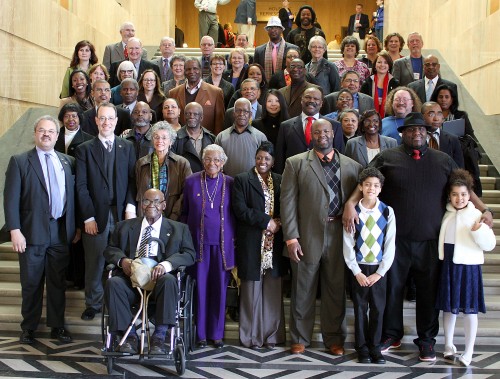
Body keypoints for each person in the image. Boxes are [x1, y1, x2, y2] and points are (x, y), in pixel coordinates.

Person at [342, 112, 493, 362]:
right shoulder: (387, 158)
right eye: (411, 130)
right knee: (392, 290)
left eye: (421, 130)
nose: (417, 133)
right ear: (403, 133)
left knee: (428, 292)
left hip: (431, 241)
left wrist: (484, 209)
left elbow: (464, 187)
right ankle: (391, 334)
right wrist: (350, 204)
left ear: (427, 133)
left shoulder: (443, 160)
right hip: (395, 242)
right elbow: (366, 182)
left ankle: (426, 340)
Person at [281, 118, 363, 356]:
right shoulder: (295, 163)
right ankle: (299, 338)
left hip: (339, 233)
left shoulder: (351, 165)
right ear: (311, 136)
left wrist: (351, 204)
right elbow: (287, 203)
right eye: (317, 132)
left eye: (326, 131)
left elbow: (361, 195)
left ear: (333, 133)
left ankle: (334, 339)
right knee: (302, 288)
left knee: (335, 289)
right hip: (307, 235)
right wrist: (291, 238)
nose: (322, 135)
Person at [4, 115, 76, 344]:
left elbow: (71, 199)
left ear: (57, 136)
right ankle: (29, 327)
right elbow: (10, 199)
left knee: (57, 283)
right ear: (35, 133)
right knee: (32, 282)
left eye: (51, 131)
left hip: (60, 231)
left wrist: (74, 227)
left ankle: (57, 326)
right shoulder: (20, 161)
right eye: (42, 130)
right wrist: (14, 229)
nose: (46, 134)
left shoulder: (67, 161)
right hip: (31, 232)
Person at [103, 188, 196, 354]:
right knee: (113, 282)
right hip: (131, 280)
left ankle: (160, 337)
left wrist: (166, 265)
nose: (150, 205)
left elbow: (189, 254)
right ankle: (129, 336)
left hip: (160, 283)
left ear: (164, 205)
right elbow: (110, 249)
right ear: (140, 205)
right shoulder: (123, 227)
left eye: (156, 201)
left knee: (169, 280)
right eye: (146, 201)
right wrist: (122, 260)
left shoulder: (179, 229)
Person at [75, 102, 137, 321]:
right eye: (102, 118)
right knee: (94, 261)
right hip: (96, 216)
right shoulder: (84, 149)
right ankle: (93, 303)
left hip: (122, 214)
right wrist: (88, 217)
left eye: (110, 118)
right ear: (96, 120)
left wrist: (131, 207)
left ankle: (119, 302)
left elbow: (133, 180)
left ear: (117, 121)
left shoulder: (127, 147)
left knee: (122, 261)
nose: (106, 122)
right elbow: (81, 186)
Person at [435, 169, 496, 367]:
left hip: (469, 267)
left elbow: (489, 245)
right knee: (449, 308)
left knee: (470, 311)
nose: (459, 198)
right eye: (454, 194)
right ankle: (449, 345)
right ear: (449, 196)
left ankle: (469, 351)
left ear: (469, 195)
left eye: (463, 194)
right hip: (449, 265)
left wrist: (479, 231)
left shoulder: (477, 215)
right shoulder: (447, 213)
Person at [232, 141, 286, 349]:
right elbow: (240, 209)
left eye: (267, 159)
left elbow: (287, 205)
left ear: (273, 162)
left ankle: (271, 336)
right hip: (251, 240)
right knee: (250, 291)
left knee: (272, 290)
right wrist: (266, 221)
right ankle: (251, 337)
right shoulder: (242, 180)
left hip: (275, 241)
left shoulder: (281, 180)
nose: (262, 161)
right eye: (259, 157)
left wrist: (279, 222)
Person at [182, 144, 236, 349]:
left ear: (223, 163)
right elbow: (185, 213)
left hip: (223, 248)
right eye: (207, 159)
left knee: (219, 292)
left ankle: (217, 334)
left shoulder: (231, 183)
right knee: (201, 291)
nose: (211, 163)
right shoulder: (191, 182)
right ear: (203, 161)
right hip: (199, 247)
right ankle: (201, 334)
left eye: (216, 160)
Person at [343, 167, 395, 364]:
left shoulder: (388, 212)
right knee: (359, 309)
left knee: (378, 310)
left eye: (375, 185)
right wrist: (356, 271)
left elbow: (390, 244)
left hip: (378, 271)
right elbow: (348, 243)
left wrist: (380, 273)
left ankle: (375, 347)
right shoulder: (353, 212)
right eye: (367, 185)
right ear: (361, 187)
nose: (371, 188)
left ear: (380, 188)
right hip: (359, 270)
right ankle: (362, 348)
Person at [275, 87, 344, 173]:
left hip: (325, 176)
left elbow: (340, 155)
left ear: (321, 103)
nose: (311, 100)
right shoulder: (285, 126)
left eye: (316, 98)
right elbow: (279, 158)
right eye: (308, 97)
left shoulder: (335, 126)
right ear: (301, 100)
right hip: (294, 175)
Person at [135, 121, 192, 221]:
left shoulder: (182, 163)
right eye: (156, 137)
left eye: (164, 137)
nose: (159, 140)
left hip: (174, 217)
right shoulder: (141, 163)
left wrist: (174, 216)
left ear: (171, 141)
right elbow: (138, 192)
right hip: (146, 216)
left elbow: (186, 193)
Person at [169, 57, 225, 135]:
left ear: (200, 70)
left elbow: (219, 123)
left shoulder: (216, 92)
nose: (192, 72)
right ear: (184, 71)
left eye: (195, 68)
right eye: (188, 69)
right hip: (180, 141)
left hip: (206, 140)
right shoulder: (173, 93)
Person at [215, 98, 267, 177]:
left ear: (250, 114)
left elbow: (265, 164)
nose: (241, 114)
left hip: (252, 184)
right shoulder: (221, 137)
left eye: (245, 111)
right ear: (233, 113)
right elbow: (216, 162)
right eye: (238, 111)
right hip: (227, 184)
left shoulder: (260, 137)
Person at [172, 102, 216, 172]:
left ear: (201, 117)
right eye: (188, 114)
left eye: (195, 114)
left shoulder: (211, 138)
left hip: (206, 180)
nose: (191, 116)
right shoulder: (174, 138)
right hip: (184, 180)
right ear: (184, 116)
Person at [253, 17, 298, 84]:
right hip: (265, 87)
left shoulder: (293, 49)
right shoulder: (259, 51)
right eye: (270, 28)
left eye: (276, 27)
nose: (273, 30)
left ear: (281, 30)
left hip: (286, 87)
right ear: (267, 31)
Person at [421, 101, 464, 168]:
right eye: (431, 114)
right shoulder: (416, 138)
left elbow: (459, 169)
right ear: (422, 117)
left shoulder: (453, 140)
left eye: (439, 114)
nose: (436, 119)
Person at [360, 51, 399, 118]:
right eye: (379, 62)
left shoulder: (395, 83)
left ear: (389, 66)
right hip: (370, 118)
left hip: (389, 118)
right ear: (375, 65)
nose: (382, 65)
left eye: (385, 62)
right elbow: (363, 102)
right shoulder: (367, 82)